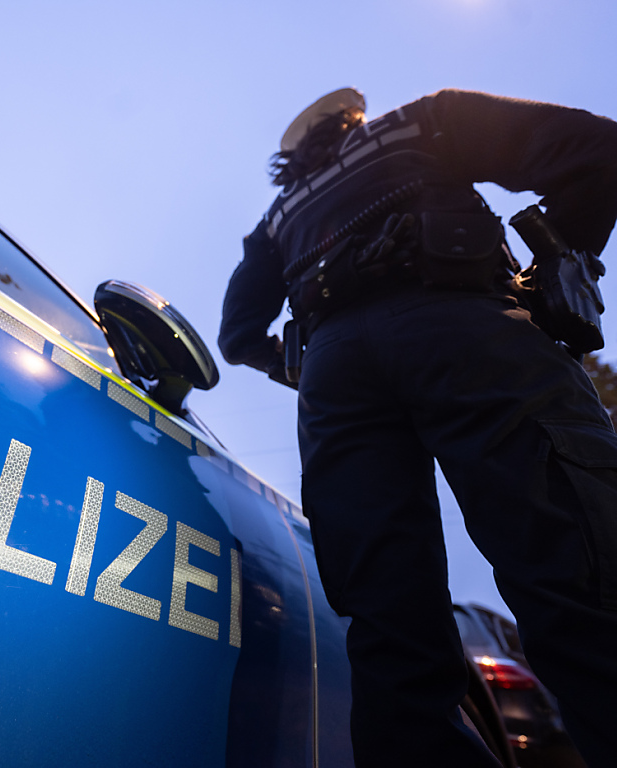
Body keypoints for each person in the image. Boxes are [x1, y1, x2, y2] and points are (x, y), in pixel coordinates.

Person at [218, 87, 617, 768]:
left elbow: (237, 333)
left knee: (388, 628)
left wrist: (303, 367)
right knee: (578, 569)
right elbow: (598, 150)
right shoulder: (424, 121)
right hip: (469, 326)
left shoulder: (277, 217)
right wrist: (556, 266)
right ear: (353, 119)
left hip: (335, 377)